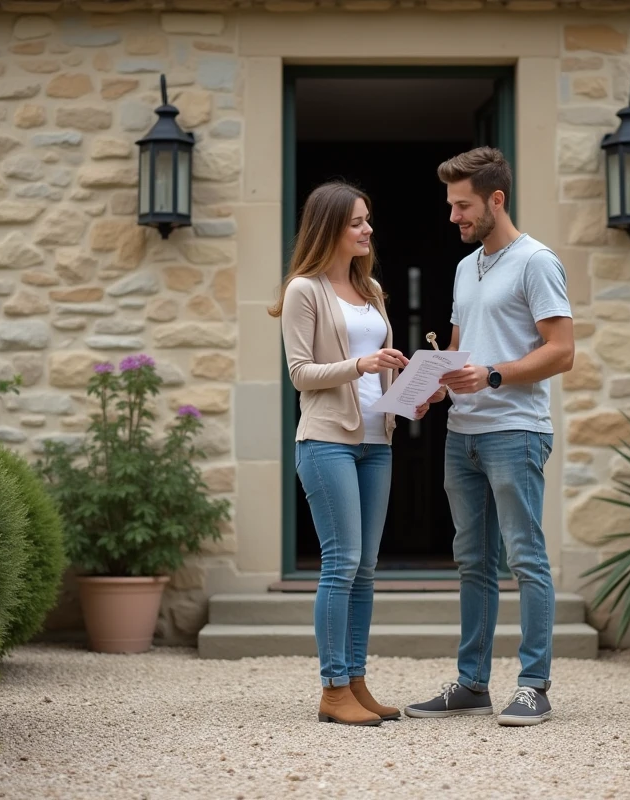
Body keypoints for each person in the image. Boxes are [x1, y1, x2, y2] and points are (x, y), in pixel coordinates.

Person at [405, 147, 574, 727]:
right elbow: (459, 350)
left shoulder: (537, 262)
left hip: (515, 431)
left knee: (525, 557)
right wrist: (430, 388)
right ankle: (472, 683)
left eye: (462, 205)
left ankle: (534, 685)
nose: (453, 216)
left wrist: (495, 374)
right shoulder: (464, 266)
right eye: (451, 205)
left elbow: (562, 351)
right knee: (473, 561)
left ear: (496, 200)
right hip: (463, 434)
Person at [269, 181, 416, 727]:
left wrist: (407, 397)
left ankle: (356, 680)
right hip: (327, 439)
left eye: (368, 219)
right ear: (329, 226)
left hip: (378, 440)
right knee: (342, 563)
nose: (368, 229)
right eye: (357, 221)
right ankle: (332, 689)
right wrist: (362, 365)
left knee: (367, 569)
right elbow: (300, 374)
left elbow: (380, 370)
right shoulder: (304, 290)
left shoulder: (371, 289)